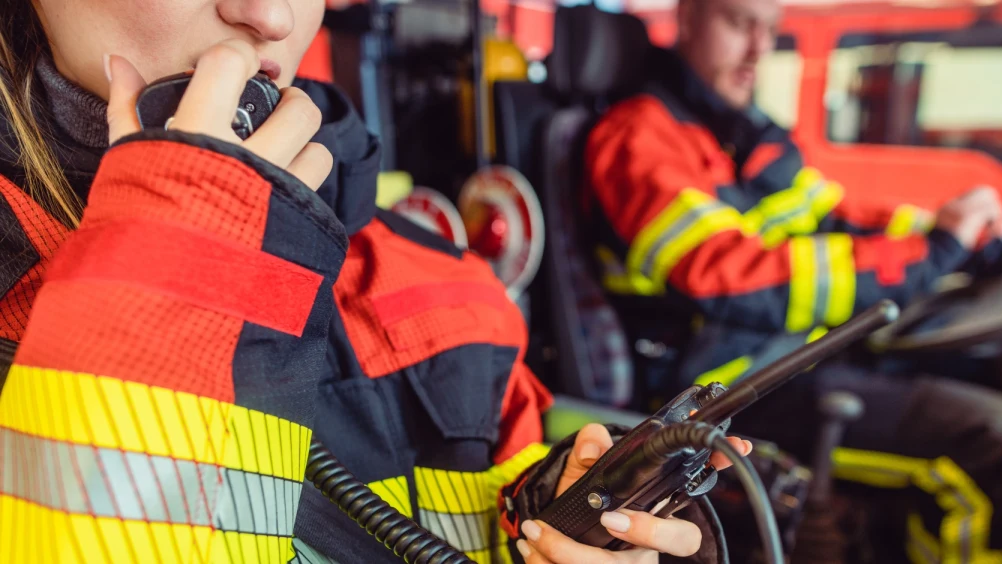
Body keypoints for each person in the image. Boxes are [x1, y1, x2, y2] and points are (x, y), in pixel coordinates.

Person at [0, 1, 751, 563]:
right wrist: (181, 279)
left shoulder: (445, 284)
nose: (272, 15)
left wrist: (555, 517)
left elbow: (478, 503)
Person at [581, 0, 1002, 561]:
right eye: (740, 23)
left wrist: (983, 250)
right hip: (725, 391)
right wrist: (935, 254)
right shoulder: (639, 139)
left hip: (796, 354)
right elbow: (735, 279)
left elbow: (836, 218)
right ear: (689, 18)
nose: (759, 49)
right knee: (1001, 446)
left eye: (770, 29)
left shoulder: (737, 130)